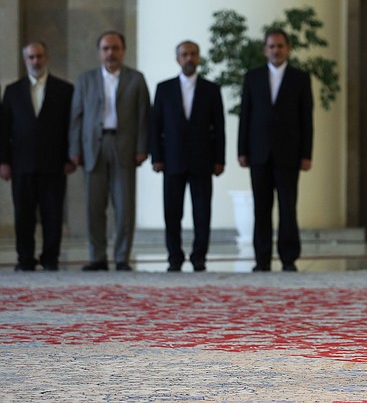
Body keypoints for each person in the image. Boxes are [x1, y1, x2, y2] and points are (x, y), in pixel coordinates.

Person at [69, 31, 150, 271]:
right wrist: (74, 148)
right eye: (105, 48)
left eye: (115, 48)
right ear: (99, 52)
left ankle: (122, 257)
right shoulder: (86, 80)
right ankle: (97, 257)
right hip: (93, 146)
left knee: (124, 206)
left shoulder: (136, 79)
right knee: (94, 206)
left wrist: (142, 148)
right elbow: (76, 117)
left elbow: (145, 116)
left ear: (123, 50)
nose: (110, 53)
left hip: (124, 146)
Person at [238, 28, 313, 272]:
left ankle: (289, 258)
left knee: (288, 206)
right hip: (258, 153)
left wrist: (306, 154)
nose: (276, 50)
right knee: (261, 207)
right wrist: (242, 150)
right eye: (271, 46)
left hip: (289, 154)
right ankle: (261, 259)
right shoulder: (253, 77)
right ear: (265, 50)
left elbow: (306, 119)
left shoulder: (300, 78)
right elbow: (245, 117)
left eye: (280, 46)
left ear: (288, 49)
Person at [149, 40, 225, 272]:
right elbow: (155, 126)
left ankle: (199, 256)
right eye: (184, 54)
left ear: (199, 58)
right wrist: (156, 157)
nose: (189, 58)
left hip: (202, 160)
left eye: (193, 54)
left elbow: (219, 127)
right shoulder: (164, 88)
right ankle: (174, 256)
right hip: (172, 160)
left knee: (202, 212)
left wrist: (219, 159)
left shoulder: (211, 89)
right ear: (177, 59)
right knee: (172, 212)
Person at [0, 41, 75, 271]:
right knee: (24, 214)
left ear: (46, 57)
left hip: (54, 163)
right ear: (25, 60)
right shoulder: (13, 91)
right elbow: (4, 129)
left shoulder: (64, 89)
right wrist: (3, 161)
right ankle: (25, 259)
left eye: (39, 56)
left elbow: (70, 126)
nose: (35, 61)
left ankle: (50, 258)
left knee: (52, 213)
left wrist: (70, 157)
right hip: (21, 163)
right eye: (31, 57)